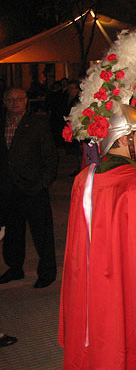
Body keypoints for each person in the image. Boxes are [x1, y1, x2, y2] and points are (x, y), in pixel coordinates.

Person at [59, 103, 136, 369]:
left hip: (92, 280)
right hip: (133, 282)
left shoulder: (83, 178)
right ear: (124, 139)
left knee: (101, 332)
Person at [0, 87, 58, 288]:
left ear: (26, 101)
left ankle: (47, 272)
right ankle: (15, 268)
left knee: (42, 233)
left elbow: (50, 156)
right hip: (8, 188)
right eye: (10, 99)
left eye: (19, 99)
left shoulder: (38, 122)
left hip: (33, 187)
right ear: (4, 101)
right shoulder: (2, 122)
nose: (14, 102)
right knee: (13, 233)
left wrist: (43, 182)